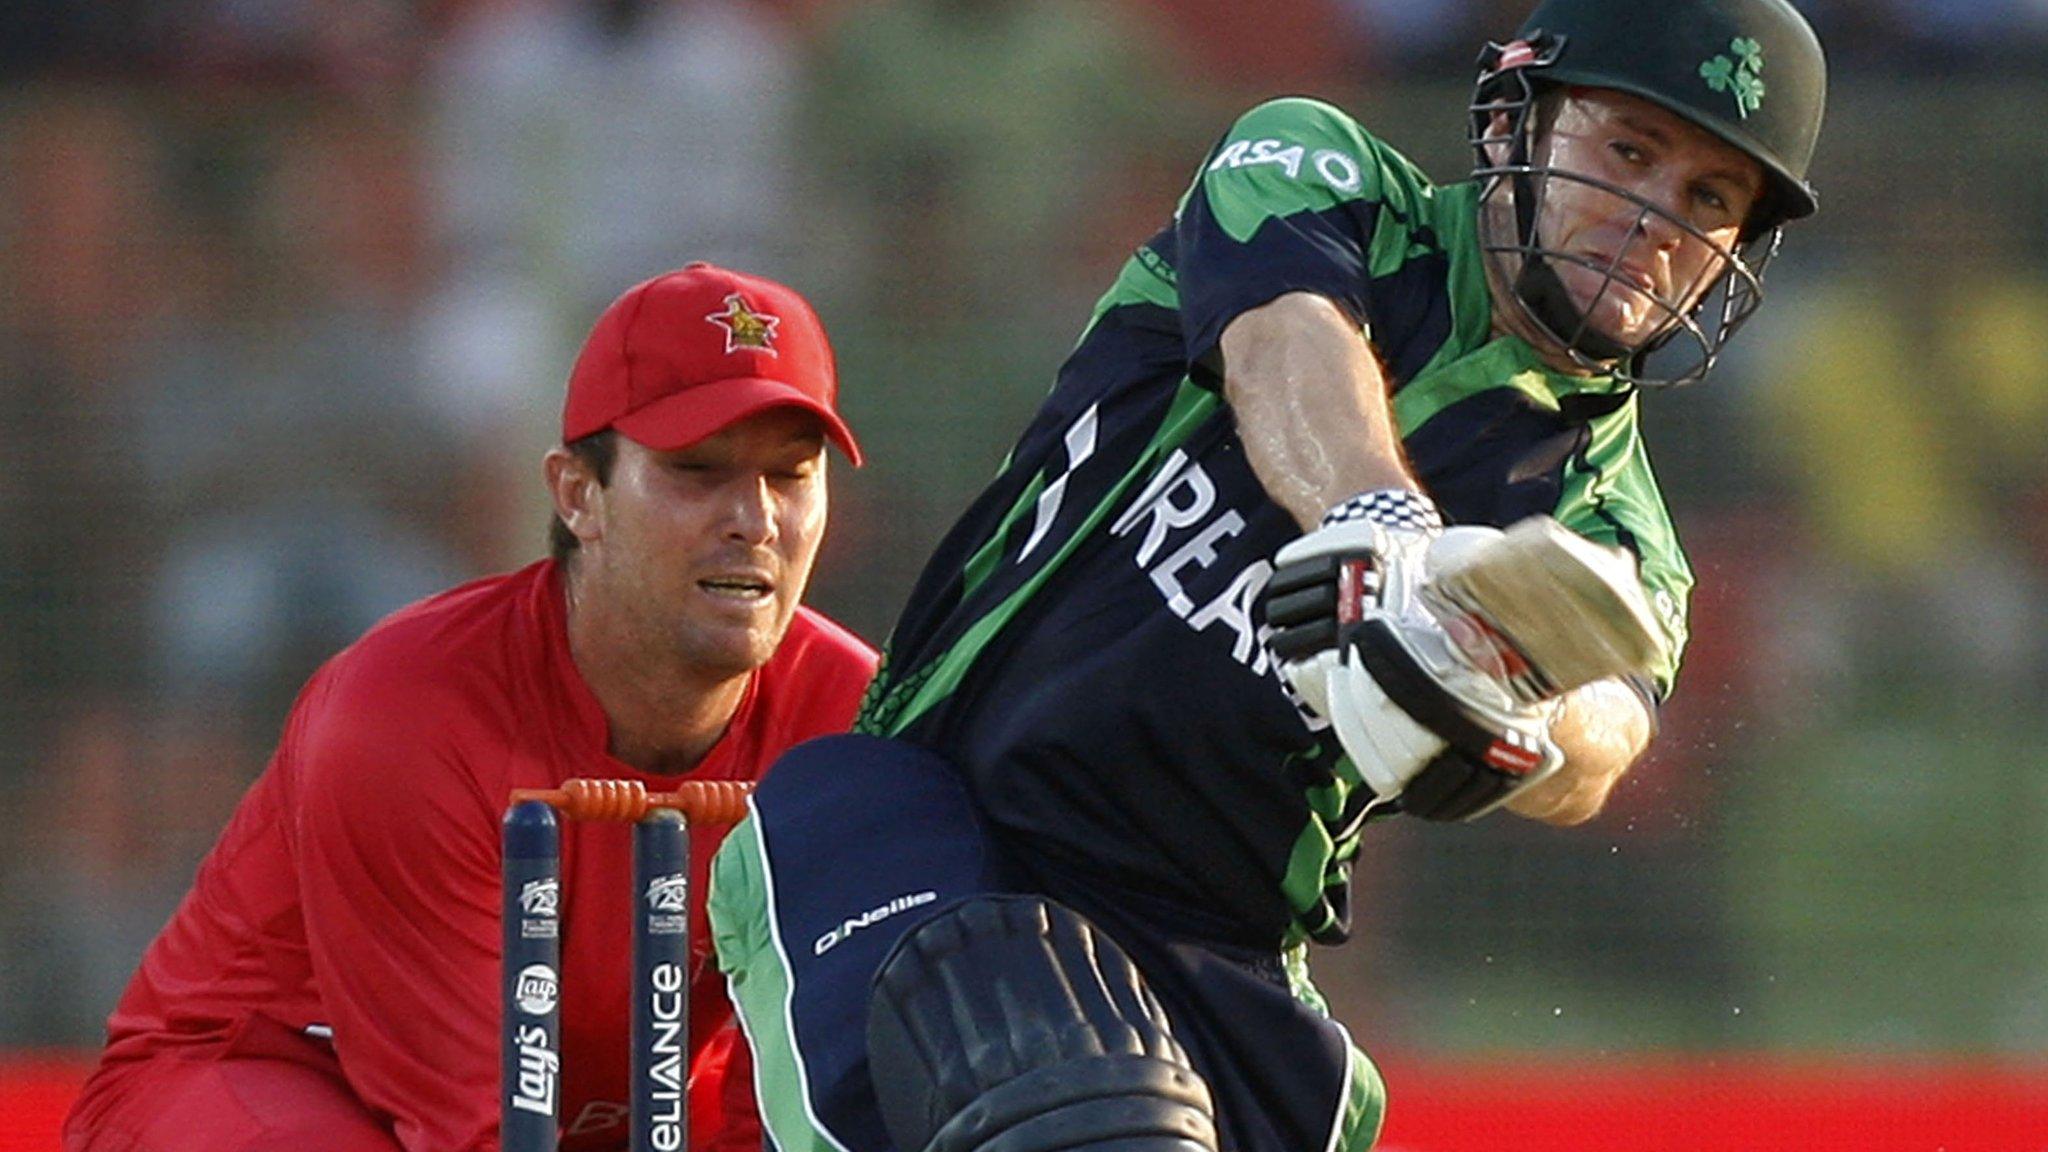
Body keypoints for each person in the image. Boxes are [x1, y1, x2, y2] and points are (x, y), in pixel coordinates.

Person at [707, 2, 1826, 1152]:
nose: (1653, 220)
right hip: (931, 827)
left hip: (1215, 965)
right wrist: (1383, 530)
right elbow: (1282, 339)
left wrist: (1527, 717)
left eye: (1708, 200)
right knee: (1064, 1102)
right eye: (1629, 152)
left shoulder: (1614, 520)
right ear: (1508, 123)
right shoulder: (1317, 171)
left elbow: (1608, 733)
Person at [64, 263, 877, 1152]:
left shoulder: (856, 717)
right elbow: (477, 1131)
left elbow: (808, 1092)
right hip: (267, 1078)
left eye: (791, 475)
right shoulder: (407, 713)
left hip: (581, 1119)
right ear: (577, 495)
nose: (754, 518)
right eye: (697, 472)